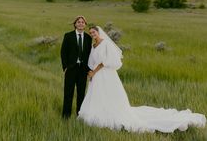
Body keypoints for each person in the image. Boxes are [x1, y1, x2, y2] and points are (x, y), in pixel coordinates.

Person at [78, 26, 206, 132]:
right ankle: (99, 113)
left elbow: (106, 61)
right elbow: (92, 61)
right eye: (90, 33)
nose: (92, 34)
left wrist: (94, 72)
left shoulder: (105, 43)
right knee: (98, 95)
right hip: (96, 75)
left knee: (109, 94)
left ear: (99, 32)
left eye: (94, 32)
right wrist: (91, 73)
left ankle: (110, 114)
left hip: (105, 73)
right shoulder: (93, 46)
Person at [61, 16, 92, 118]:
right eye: (78, 22)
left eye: (82, 22)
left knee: (81, 93)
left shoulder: (88, 38)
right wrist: (65, 67)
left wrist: (89, 69)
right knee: (68, 92)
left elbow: (89, 54)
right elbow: (63, 52)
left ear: (85, 25)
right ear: (75, 24)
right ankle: (66, 116)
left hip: (83, 70)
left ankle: (80, 115)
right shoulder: (68, 36)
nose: (80, 24)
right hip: (71, 68)